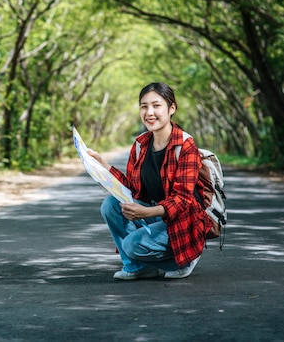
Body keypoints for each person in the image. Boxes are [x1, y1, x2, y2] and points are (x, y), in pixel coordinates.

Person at [87, 82, 213, 280]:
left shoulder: (185, 146)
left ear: (172, 108)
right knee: (111, 204)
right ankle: (138, 266)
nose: (149, 112)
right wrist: (103, 165)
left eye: (156, 105)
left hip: (183, 222)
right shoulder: (141, 144)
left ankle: (184, 259)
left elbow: (183, 200)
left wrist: (146, 212)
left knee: (131, 245)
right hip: (158, 216)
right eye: (144, 106)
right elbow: (132, 189)